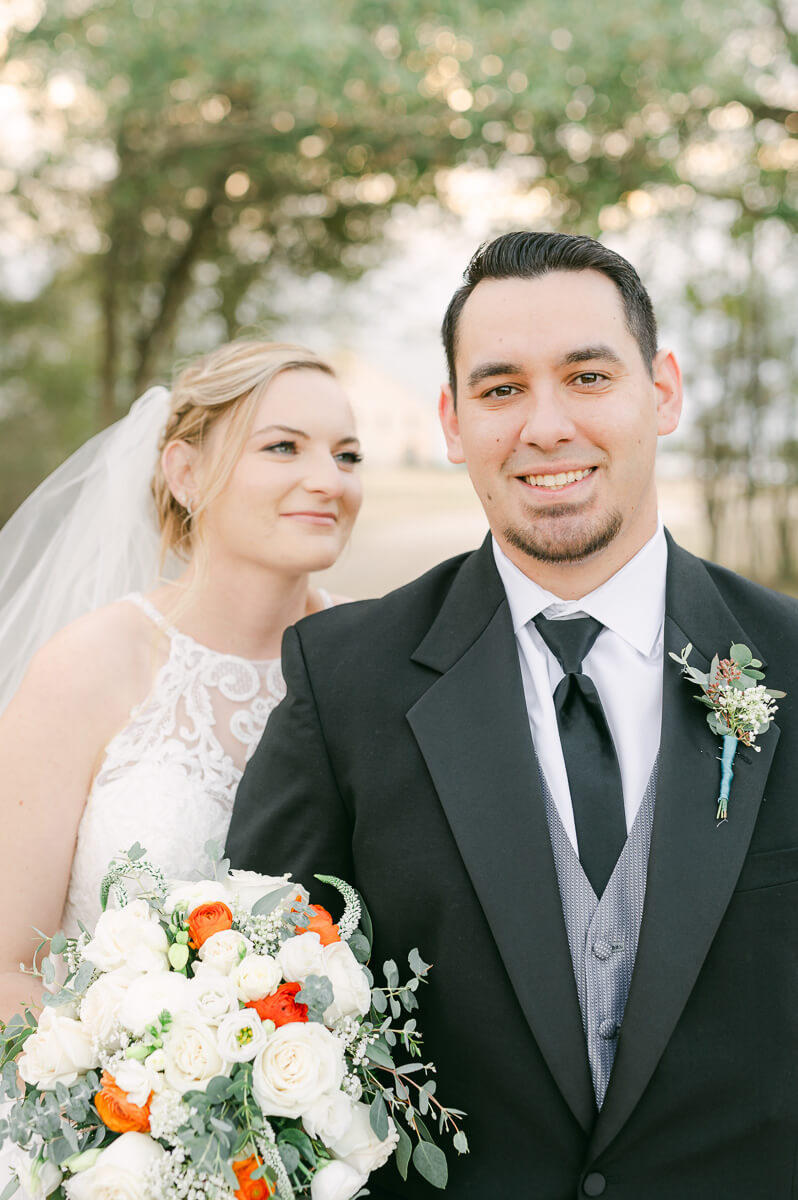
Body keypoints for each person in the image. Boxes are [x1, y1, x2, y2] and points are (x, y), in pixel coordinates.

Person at [227, 233, 798, 1198]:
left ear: (661, 392)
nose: (544, 426)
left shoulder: (786, 656)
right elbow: (255, 1000)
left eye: (586, 375)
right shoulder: (346, 679)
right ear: (453, 422)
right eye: (500, 390)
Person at [0, 339, 363, 1019]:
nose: (330, 480)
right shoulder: (90, 666)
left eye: (347, 455)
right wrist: (130, 1105)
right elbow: (6, 969)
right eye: (284, 447)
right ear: (186, 472)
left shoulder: (375, 663)